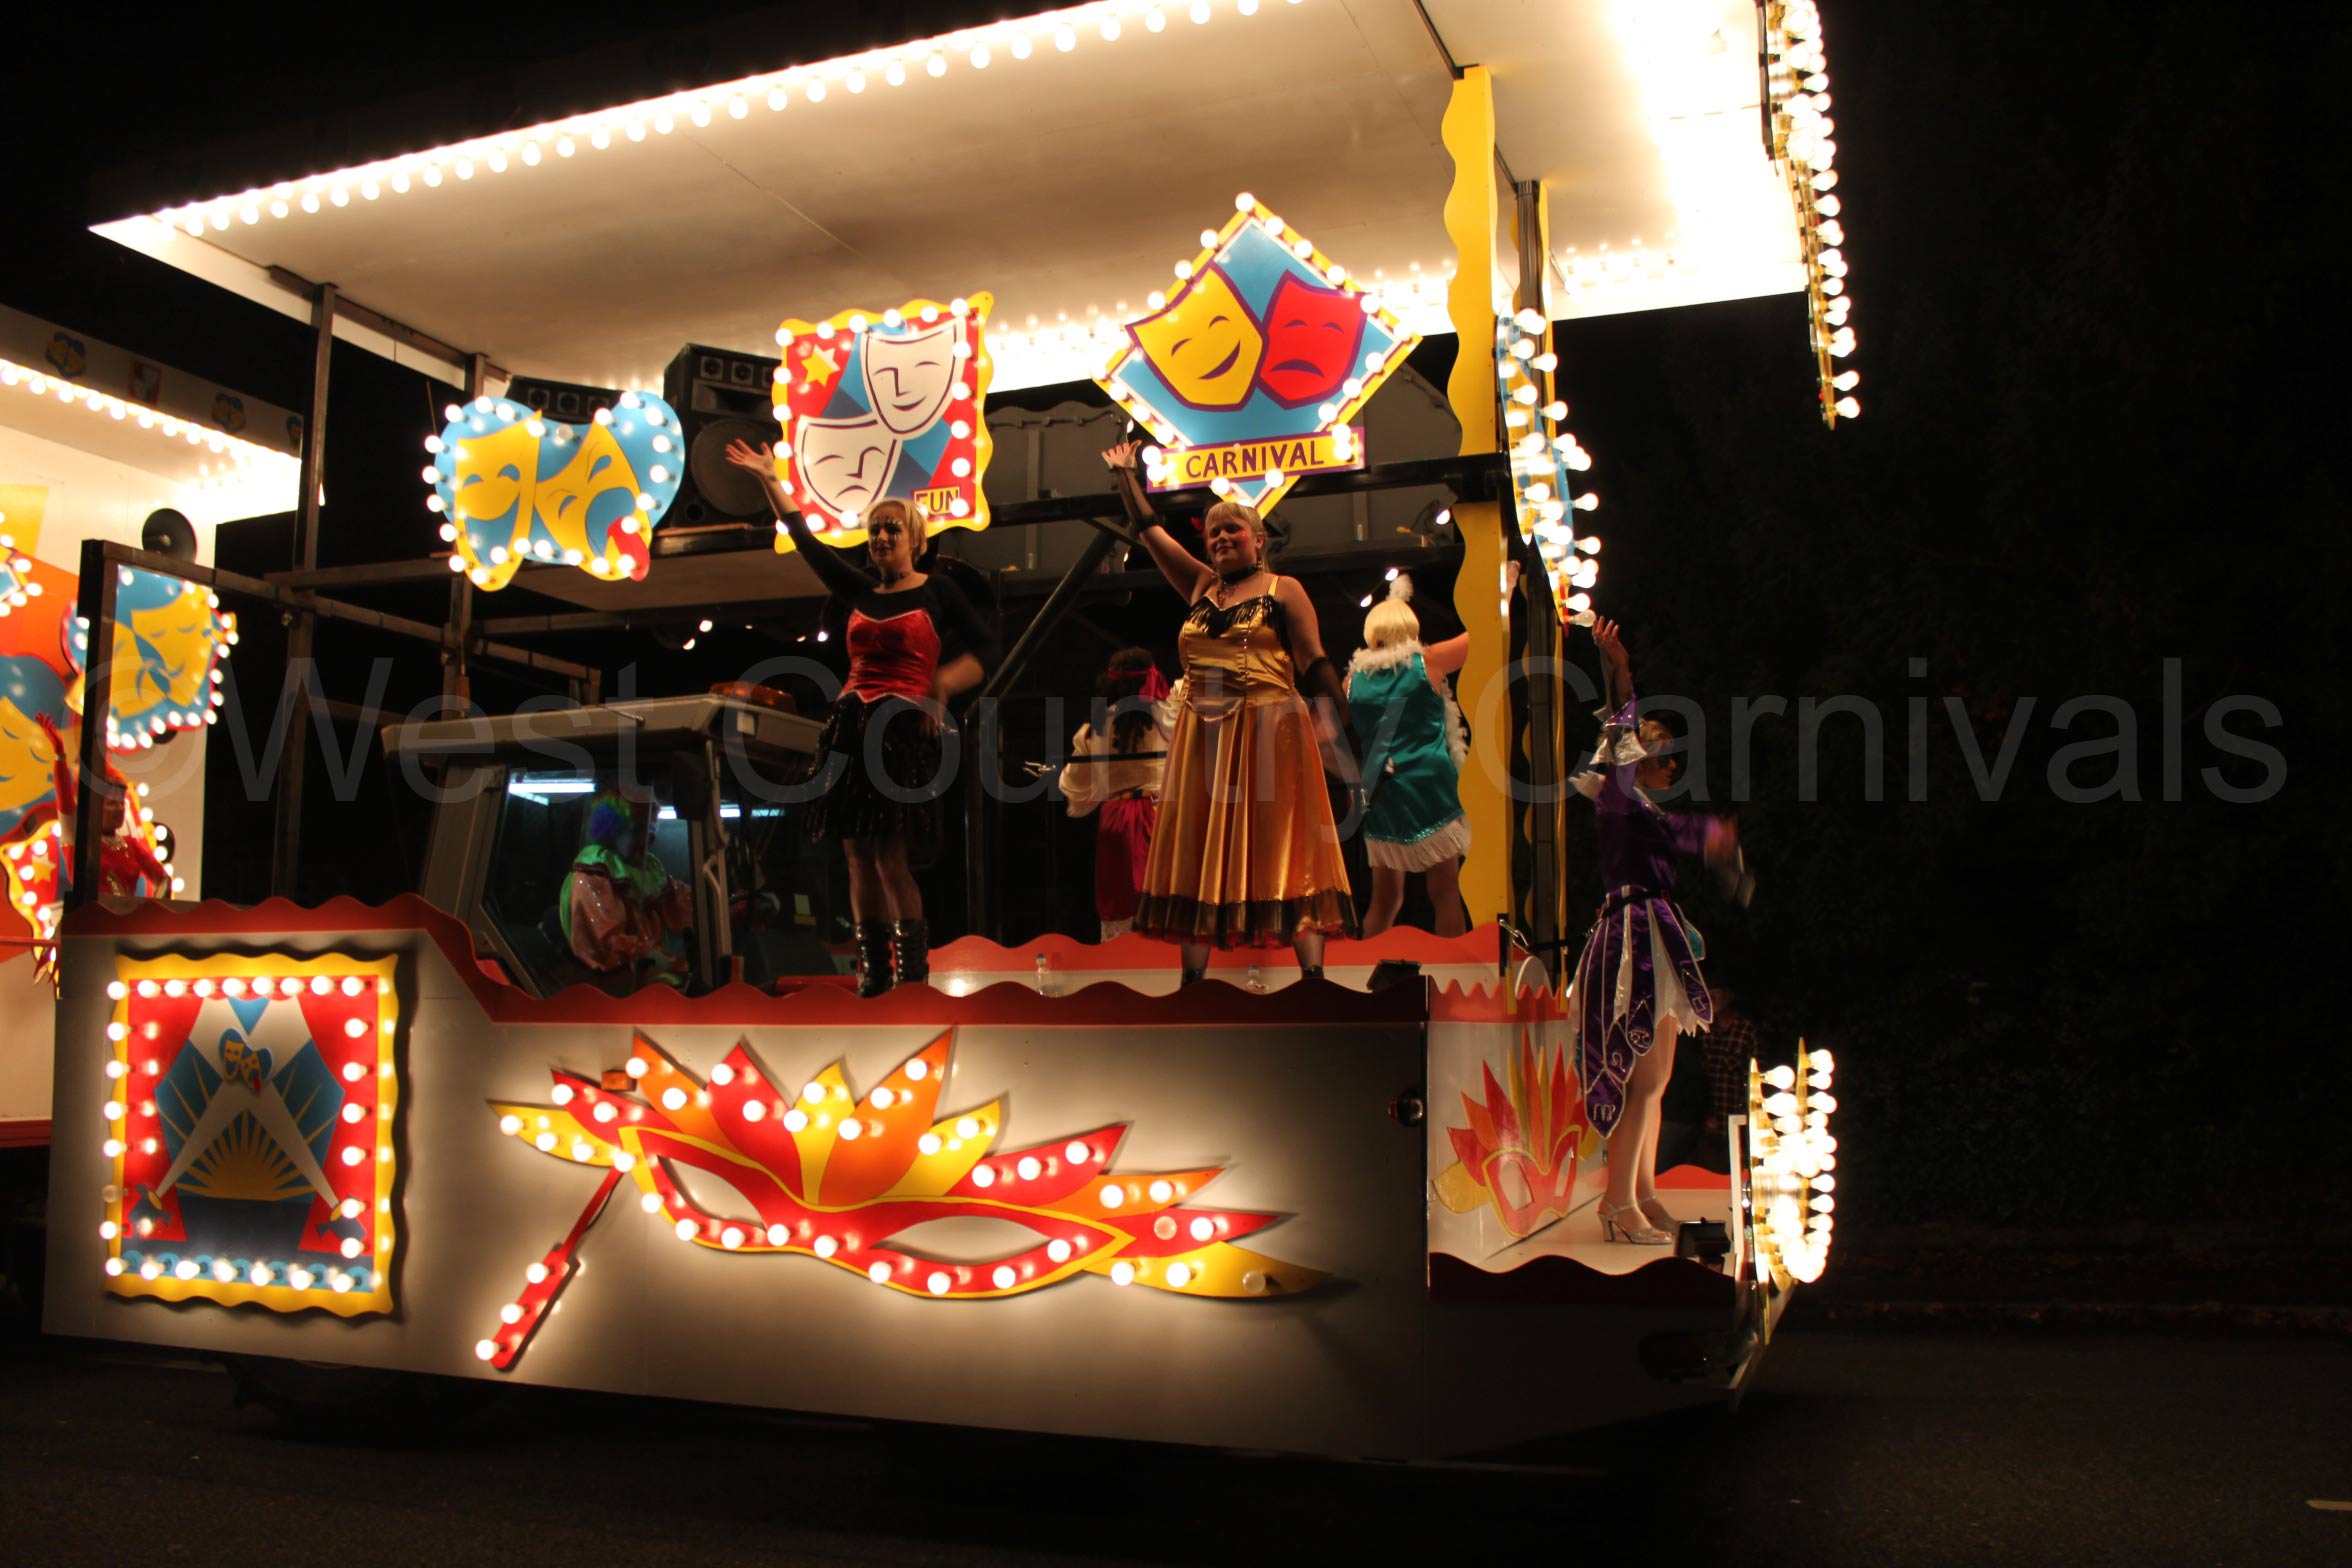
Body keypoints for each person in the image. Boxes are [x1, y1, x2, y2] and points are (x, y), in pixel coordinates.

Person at [724, 438, 987, 995]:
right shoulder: (859, 589)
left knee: (890, 856)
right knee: (855, 856)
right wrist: (770, 478)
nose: (882, 537)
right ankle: (874, 972)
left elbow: (988, 649)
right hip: (850, 727)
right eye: (875, 530)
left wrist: (941, 688)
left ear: (914, 538)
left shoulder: (939, 592)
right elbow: (805, 540)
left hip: (900, 733)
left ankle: (911, 975)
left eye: (893, 528)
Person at [1100, 440, 1357, 982]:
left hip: (1271, 730)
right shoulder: (1200, 585)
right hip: (1204, 735)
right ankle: (1193, 982)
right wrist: (1125, 476)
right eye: (1214, 532)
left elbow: (1313, 658)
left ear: (1259, 540)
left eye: (1233, 529)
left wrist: (1341, 715)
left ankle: (1313, 979)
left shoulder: (1284, 589)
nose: (1220, 538)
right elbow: (1149, 530)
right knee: (1198, 841)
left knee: (1286, 843)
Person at [1569, 616, 1739, 1244]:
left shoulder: (1644, 813)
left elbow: (1690, 833)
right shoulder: (1617, 799)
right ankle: (1618, 1202)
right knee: (1641, 1080)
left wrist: (1718, 839)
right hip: (1631, 937)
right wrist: (1620, 671)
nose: (1669, 765)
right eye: (1661, 755)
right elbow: (1619, 732)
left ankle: (1641, 1194)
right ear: (1637, 764)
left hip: (1653, 935)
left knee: (1656, 1080)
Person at [1343, 570, 1512, 937]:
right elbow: (1482, 636)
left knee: (1385, 899)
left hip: (1382, 789)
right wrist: (1507, 589)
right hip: (1429, 786)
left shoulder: (1352, 681)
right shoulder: (1428, 662)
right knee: (1445, 891)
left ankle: (1368, 964)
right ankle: (1453, 962)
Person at [1058, 648, 1178, 940]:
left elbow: (1074, 783)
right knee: (1165, 901)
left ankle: (1122, 958)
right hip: (1159, 815)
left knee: (1120, 902)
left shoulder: (1096, 727)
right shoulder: (1168, 717)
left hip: (1116, 820)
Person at [561, 791, 692, 991]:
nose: (647, 839)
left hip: (643, 982)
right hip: (609, 990)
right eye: (638, 829)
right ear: (613, 828)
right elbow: (606, 947)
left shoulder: (645, 868)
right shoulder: (594, 874)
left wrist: (724, 910)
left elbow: (682, 904)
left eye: (650, 828)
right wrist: (653, 956)